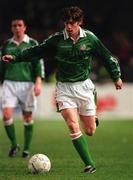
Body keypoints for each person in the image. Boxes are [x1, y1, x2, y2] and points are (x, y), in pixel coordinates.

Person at [2, 7, 123, 173]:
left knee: (90, 131)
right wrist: (16, 58)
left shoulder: (90, 38)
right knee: (73, 126)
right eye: (66, 23)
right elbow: (37, 51)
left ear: (79, 22)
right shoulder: (57, 39)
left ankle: (92, 112)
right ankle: (89, 164)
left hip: (84, 87)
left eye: (72, 23)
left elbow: (107, 56)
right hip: (64, 88)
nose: (69, 26)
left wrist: (116, 76)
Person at [0, 18, 44, 158]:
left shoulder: (32, 44)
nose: (17, 28)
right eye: (14, 25)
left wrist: (38, 82)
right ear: (11, 28)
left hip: (27, 84)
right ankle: (14, 144)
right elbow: (1, 66)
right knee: (6, 115)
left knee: (27, 116)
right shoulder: (6, 45)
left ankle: (26, 149)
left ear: (25, 27)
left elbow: (38, 64)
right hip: (9, 83)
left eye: (19, 25)